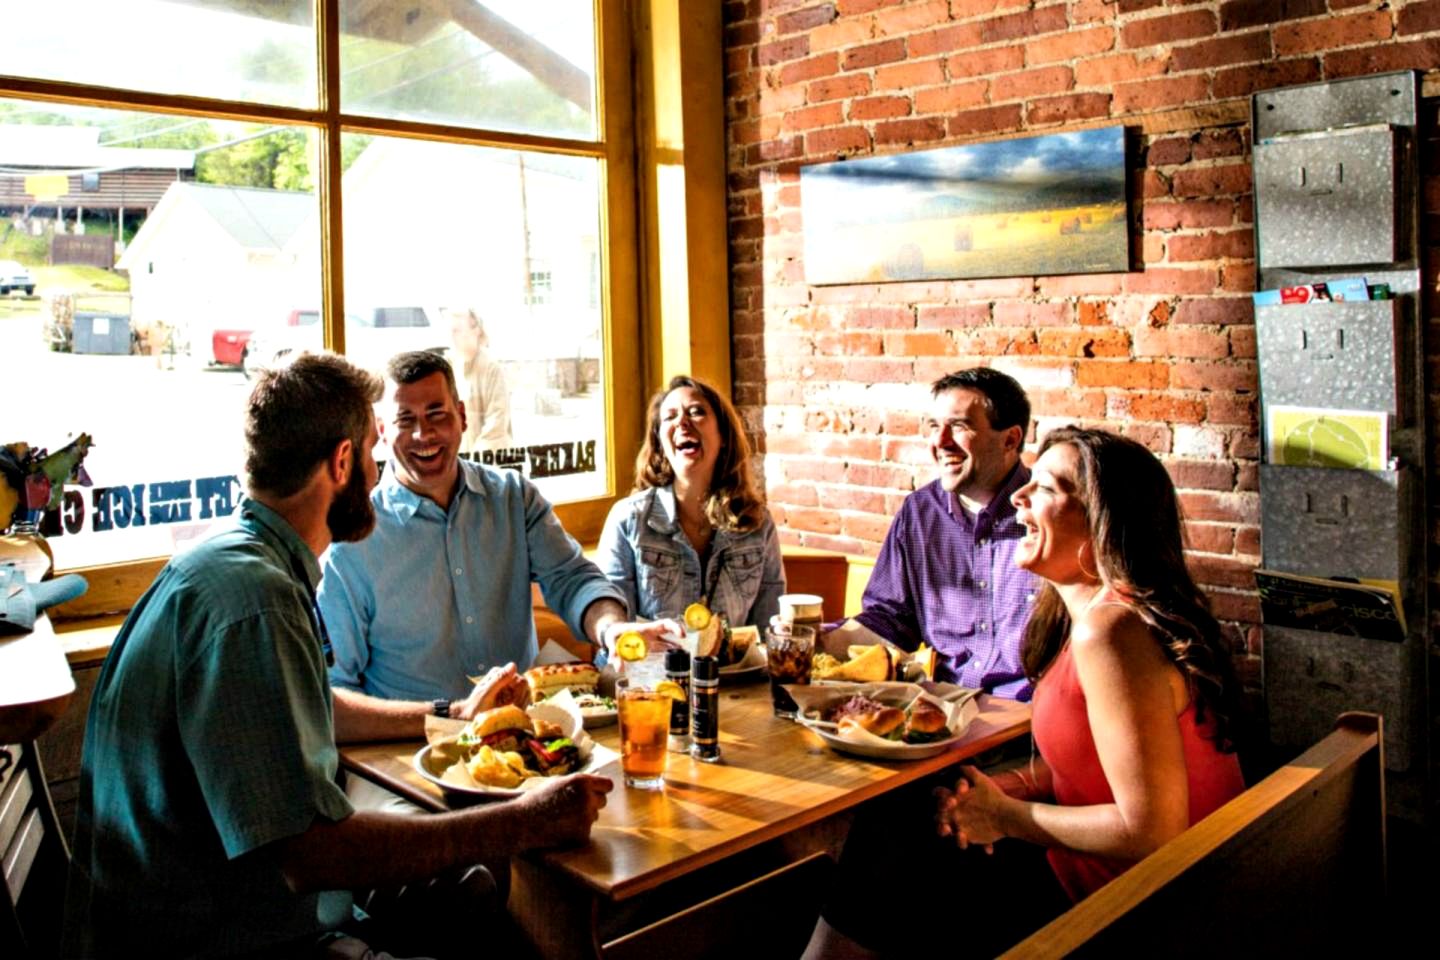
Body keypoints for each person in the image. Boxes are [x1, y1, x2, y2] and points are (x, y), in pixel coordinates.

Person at [65, 352, 611, 958]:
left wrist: (453, 714)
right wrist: (521, 822)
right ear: (343, 461)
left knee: (482, 902)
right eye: (376, 449)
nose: (382, 470)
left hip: (234, 913)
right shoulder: (258, 602)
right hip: (224, 939)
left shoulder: (234, 560)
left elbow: (311, 707)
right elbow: (310, 853)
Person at [809, 427, 1247, 958]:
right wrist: (991, 793)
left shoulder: (1112, 632)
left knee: (890, 843)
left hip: (1134, 906)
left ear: (1102, 521)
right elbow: (1088, 766)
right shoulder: (1098, 618)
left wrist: (1005, 818)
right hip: (1164, 881)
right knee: (911, 821)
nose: (1018, 496)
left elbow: (1151, 829)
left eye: (1046, 486)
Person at [318, 350, 669, 740]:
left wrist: (612, 629)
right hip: (415, 752)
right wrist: (447, 719)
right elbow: (334, 692)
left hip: (526, 739)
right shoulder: (352, 539)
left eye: (437, 414)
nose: (424, 434)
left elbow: (573, 578)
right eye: (406, 420)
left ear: (462, 417)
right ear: (382, 430)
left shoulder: (513, 498)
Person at [827, 367, 1042, 697]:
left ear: (1010, 439)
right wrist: (816, 642)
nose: (939, 442)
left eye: (958, 426)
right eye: (933, 426)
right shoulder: (919, 512)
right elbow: (892, 618)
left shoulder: (1049, 515)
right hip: (946, 714)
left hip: (1029, 728)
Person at [598, 374, 785, 631]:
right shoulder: (629, 519)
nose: (682, 422)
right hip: (648, 670)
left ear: (724, 437)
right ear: (661, 443)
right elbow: (617, 630)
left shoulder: (757, 522)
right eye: (670, 417)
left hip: (734, 671)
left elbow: (767, 630)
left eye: (696, 412)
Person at [445, 306, 512, 453]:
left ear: (476, 331)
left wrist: (473, 462)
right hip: (461, 460)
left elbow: (497, 423)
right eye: (450, 331)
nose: (452, 336)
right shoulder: (449, 367)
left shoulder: (492, 368)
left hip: (490, 461)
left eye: (457, 330)